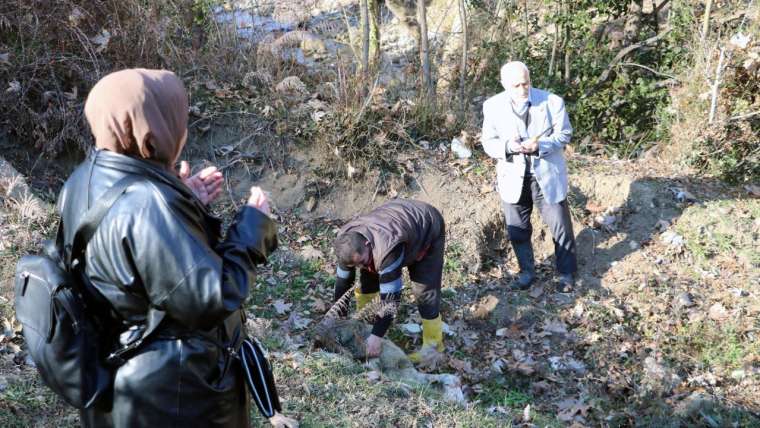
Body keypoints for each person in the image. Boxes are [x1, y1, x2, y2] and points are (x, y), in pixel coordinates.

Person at [59, 69, 296, 427]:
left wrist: (185, 200)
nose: (182, 128)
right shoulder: (148, 203)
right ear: (154, 131)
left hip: (121, 377)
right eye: (177, 117)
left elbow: (137, 265)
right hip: (178, 395)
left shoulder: (83, 181)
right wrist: (253, 227)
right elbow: (212, 297)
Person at [480, 61, 578, 292]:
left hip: (546, 175)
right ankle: (527, 272)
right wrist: (509, 146)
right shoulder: (492, 106)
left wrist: (540, 144)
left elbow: (565, 134)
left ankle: (566, 273)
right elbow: (488, 142)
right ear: (504, 84)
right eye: (516, 85)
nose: (523, 89)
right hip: (513, 177)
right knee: (517, 229)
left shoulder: (552, 102)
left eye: (526, 83)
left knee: (560, 226)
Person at [332, 199, 445, 361]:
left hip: (426, 227)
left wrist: (376, 337)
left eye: (361, 262)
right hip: (394, 221)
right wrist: (338, 320)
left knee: (424, 290)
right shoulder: (346, 245)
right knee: (367, 279)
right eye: (354, 265)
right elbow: (343, 283)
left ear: (367, 243)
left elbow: (391, 300)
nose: (359, 267)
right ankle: (368, 323)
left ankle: (434, 347)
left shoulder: (388, 250)